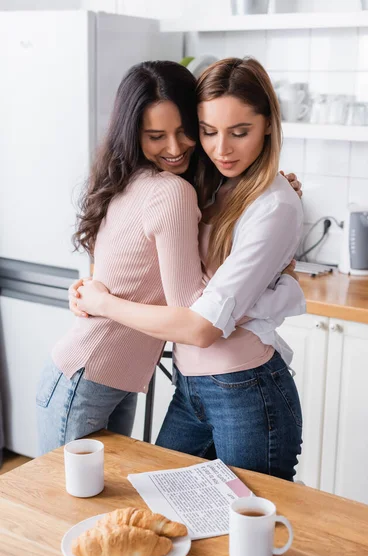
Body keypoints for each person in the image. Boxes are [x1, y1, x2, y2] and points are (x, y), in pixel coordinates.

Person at [36, 60, 302, 457]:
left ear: (267, 124)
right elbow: (187, 306)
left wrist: (100, 300)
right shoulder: (180, 188)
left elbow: (195, 315)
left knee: (137, 509)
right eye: (209, 132)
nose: (176, 148)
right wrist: (283, 289)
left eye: (186, 132)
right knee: (101, 510)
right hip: (111, 376)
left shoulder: (171, 184)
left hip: (120, 375)